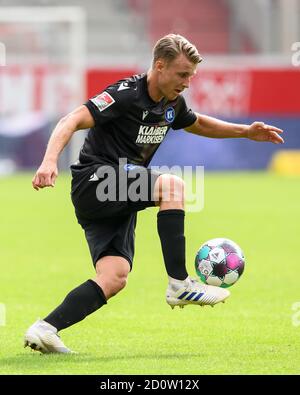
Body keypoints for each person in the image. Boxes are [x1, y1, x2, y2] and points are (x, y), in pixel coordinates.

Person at [24, 34, 284, 354]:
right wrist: (49, 161)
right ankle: (179, 283)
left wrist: (244, 131)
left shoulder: (172, 102)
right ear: (159, 66)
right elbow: (72, 118)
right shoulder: (126, 94)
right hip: (96, 180)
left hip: (117, 196)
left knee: (114, 276)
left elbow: (196, 123)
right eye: (182, 74)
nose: (187, 82)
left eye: (190, 75)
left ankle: (46, 329)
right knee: (172, 186)